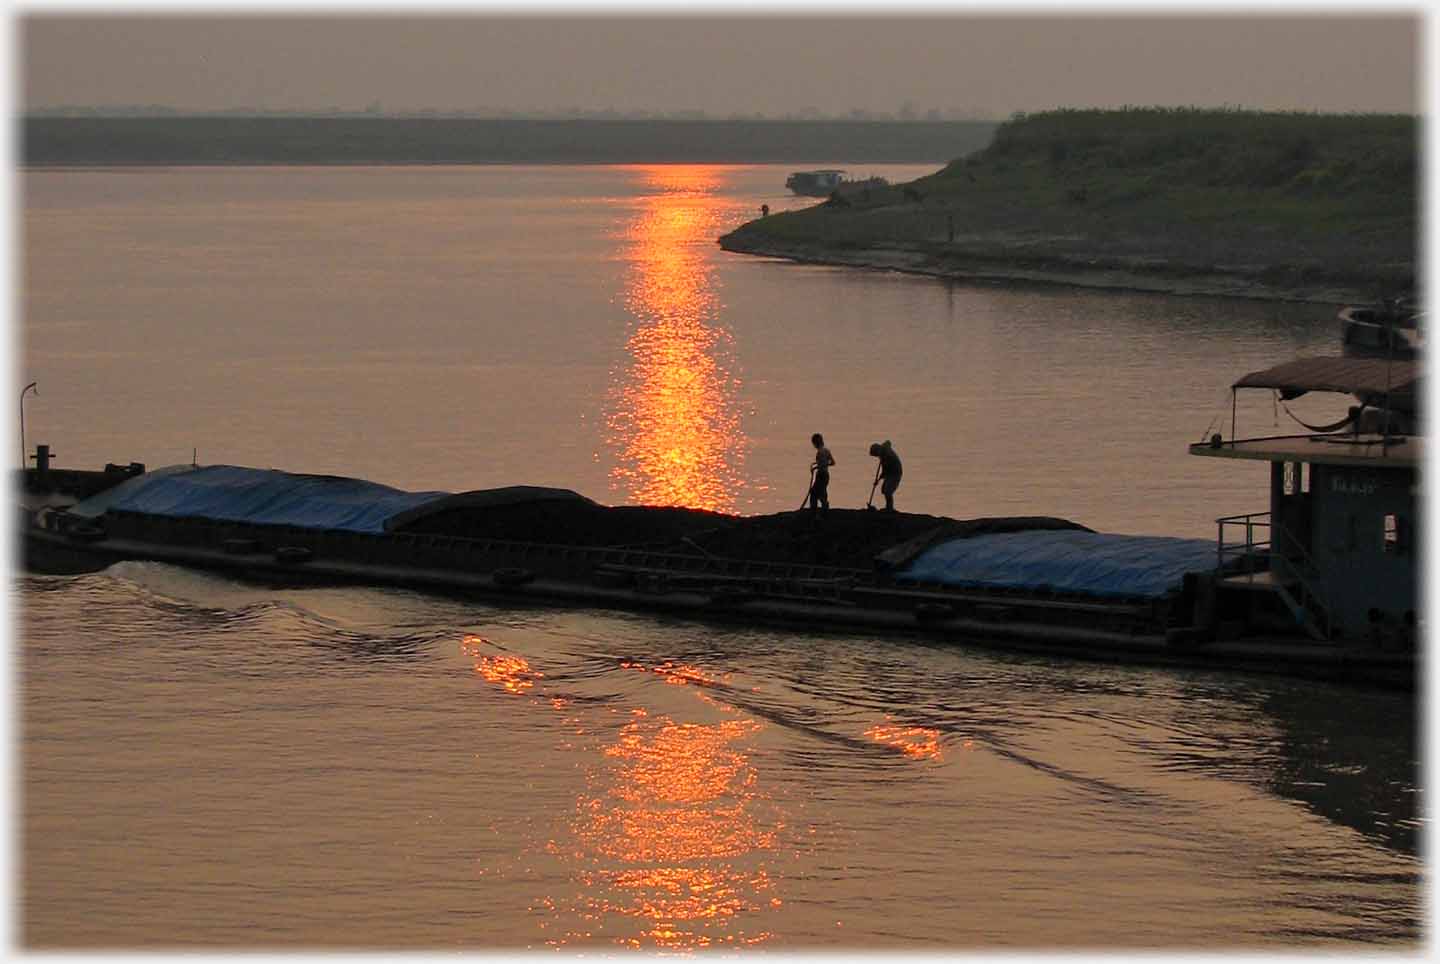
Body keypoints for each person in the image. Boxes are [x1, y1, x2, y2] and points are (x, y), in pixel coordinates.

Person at [868, 440, 902, 511]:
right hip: (890, 473)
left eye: (875, 455)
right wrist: (878, 480)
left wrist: (878, 480)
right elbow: (887, 442)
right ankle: (888, 507)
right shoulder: (883, 453)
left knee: (887, 491)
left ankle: (890, 508)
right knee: (884, 490)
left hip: (895, 473)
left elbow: (885, 470)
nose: (877, 456)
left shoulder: (885, 454)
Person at [808, 433, 835, 512]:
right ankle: (824, 508)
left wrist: (815, 467)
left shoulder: (819, 453)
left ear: (815, 443)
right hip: (826, 475)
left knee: (814, 493)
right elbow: (832, 463)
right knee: (822, 492)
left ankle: (815, 511)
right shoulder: (827, 451)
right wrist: (820, 464)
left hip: (821, 475)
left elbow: (822, 465)